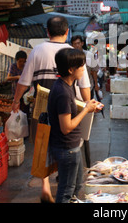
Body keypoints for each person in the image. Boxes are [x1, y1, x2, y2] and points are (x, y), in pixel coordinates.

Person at [11, 15, 91, 203]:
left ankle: (45, 185)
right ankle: (64, 186)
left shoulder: (37, 51)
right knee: (67, 146)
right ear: (66, 32)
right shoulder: (73, 53)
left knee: (42, 146)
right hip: (67, 107)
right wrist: (88, 105)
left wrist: (15, 101)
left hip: (42, 109)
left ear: (47, 32)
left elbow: (24, 81)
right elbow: (84, 86)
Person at [48, 48, 101, 203]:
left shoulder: (65, 85)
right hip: (67, 148)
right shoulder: (63, 92)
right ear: (71, 69)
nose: (84, 69)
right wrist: (86, 110)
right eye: (81, 66)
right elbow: (66, 127)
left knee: (76, 185)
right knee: (66, 191)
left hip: (71, 147)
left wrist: (88, 106)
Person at [71, 35, 100, 99]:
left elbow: (94, 71)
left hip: (89, 86)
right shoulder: (70, 57)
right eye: (75, 44)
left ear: (82, 43)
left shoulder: (89, 55)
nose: (77, 45)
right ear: (72, 45)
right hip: (75, 88)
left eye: (78, 43)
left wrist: (96, 85)